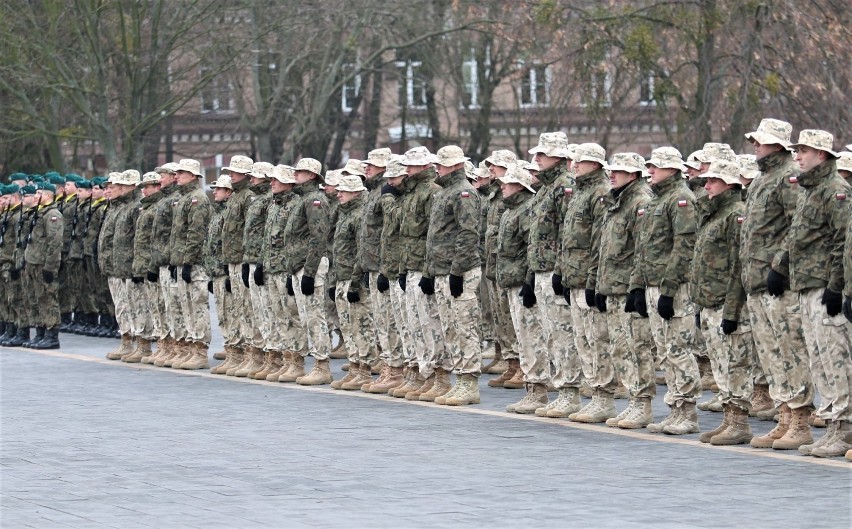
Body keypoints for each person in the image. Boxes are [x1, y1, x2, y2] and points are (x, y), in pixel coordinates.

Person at [773, 130, 851, 457]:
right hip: (806, 285)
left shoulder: (835, 191)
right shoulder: (809, 189)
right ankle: (834, 425)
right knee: (819, 360)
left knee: (837, 360)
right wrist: (779, 266)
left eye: (804, 151)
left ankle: (845, 428)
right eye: (797, 150)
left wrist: (838, 287)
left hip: (825, 286)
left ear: (822, 154)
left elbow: (842, 242)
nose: (798, 156)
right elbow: (796, 237)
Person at [739, 119, 815, 451]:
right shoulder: (762, 179)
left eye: (762, 141)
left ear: (780, 145)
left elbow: (798, 225)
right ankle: (784, 416)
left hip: (778, 282)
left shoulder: (787, 177)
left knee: (790, 351)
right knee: (771, 354)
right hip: (756, 280)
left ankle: (800, 420)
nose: (755, 145)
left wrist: (780, 264)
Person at [630, 147, 702, 435]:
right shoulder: (657, 200)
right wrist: (638, 285)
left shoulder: (681, 199)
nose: (651, 171)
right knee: (664, 350)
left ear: (672, 169)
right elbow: (644, 247)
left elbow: (684, 247)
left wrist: (670, 290)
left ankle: (687, 411)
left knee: (678, 349)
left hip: (674, 286)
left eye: (657, 167)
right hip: (652, 283)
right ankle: (675, 408)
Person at [689, 160, 753, 445]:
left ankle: (739, 422)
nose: (706, 186)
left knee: (735, 363)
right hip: (710, 301)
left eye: (713, 181)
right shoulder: (713, 214)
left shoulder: (735, 214)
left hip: (728, 303)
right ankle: (728, 418)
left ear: (729, 184)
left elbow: (739, 266)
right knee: (721, 363)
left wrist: (731, 309)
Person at [556, 143, 616, 423]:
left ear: (594, 164)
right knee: (583, 339)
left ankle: (603, 398)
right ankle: (593, 392)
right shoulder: (580, 192)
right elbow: (568, 238)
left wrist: (594, 280)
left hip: (588, 278)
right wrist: (563, 272)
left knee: (597, 340)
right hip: (575, 277)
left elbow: (598, 242)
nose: (574, 164)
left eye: (581, 161)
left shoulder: (600, 193)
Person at [595, 153, 655, 428]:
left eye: (620, 171)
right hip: (614, 285)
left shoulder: (639, 202)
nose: (613, 174)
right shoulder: (618, 201)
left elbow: (642, 250)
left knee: (637, 347)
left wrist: (637, 287)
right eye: (613, 170)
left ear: (633, 175)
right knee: (622, 347)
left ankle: (642, 404)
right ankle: (633, 400)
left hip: (628, 287)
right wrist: (599, 284)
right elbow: (607, 250)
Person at [524, 132, 578, 418]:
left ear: (558, 157)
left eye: (542, 155)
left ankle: (570, 391)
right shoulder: (545, 188)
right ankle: (562, 389)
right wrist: (532, 274)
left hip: (555, 271)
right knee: (552, 334)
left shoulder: (564, 185)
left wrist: (561, 270)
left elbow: (567, 233)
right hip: (542, 270)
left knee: (563, 334)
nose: (536, 159)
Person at [424, 146, 483, 406]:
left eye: (442, 163)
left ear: (455, 166)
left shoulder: (464, 192)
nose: (438, 167)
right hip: (441, 269)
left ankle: (469, 382)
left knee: (464, 326)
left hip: (460, 270)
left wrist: (457, 271)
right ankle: (459, 377)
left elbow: (468, 234)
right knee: (449, 327)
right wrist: (430, 271)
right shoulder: (443, 192)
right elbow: (435, 237)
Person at [395, 147, 447, 401]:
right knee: (416, 326)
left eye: (412, 166)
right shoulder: (411, 192)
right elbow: (405, 235)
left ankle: (441, 377)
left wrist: (428, 271)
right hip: (411, 266)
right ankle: (426, 375)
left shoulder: (432, 193)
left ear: (424, 166)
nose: (407, 170)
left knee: (431, 325)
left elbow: (433, 237)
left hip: (425, 269)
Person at [359, 148, 407, 394]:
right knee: (382, 321)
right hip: (375, 264)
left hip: (387, 264)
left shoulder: (388, 192)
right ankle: (389, 366)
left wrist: (387, 267)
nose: (367, 168)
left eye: (372, 165)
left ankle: (396, 370)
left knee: (391, 321)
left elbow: (391, 231)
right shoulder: (374, 192)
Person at [283, 158, 333, 385]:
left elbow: (318, 237)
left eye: (301, 172)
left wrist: (310, 272)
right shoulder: (300, 199)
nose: (296, 175)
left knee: (314, 317)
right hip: (298, 264)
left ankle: (322, 366)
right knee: (304, 316)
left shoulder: (315, 199)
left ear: (312, 175)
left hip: (309, 265)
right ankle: (306, 363)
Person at [329, 174, 378, 390]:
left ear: (356, 193)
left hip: (353, 279)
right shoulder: (344, 214)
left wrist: (356, 282)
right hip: (341, 276)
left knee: (361, 326)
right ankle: (355, 366)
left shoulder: (359, 216)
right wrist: (333, 281)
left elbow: (362, 252)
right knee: (348, 327)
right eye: (338, 190)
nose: (339, 194)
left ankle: (365, 370)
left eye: (344, 191)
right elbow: (337, 251)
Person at [482, 151, 523, 389]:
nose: (490, 169)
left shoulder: (512, 195)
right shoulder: (495, 194)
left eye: (495, 165)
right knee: (500, 318)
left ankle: (519, 364)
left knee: (510, 318)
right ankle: (510, 363)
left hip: (508, 264)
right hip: (494, 263)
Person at [168, 159, 213, 369]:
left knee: (197, 306)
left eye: (182, 173)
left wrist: (187, 262)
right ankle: (190, 347)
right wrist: (174, 260)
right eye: (176, 173)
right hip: (182, 261)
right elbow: (177, 234)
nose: (177, 176)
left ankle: (200, 350)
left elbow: (196, 233)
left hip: (194, 263)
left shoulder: (198, 198)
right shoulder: (183, 198)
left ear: (194, 176)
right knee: (185, 307)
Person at [235, 161, 275, 377]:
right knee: (255, 311)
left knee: (267, 312)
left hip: (263, 262)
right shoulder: (255, 198)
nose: (251, 179)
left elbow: (268, 235)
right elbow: (249, 233)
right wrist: (246, 260)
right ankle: (258, 355)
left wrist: (260, 262)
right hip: (250, 259)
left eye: (256, 176)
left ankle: (270, 357)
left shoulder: (269, 199)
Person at [220, 155, 256, 372]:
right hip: (232, 259)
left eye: (234, 172)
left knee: (247, 309)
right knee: (237, 309)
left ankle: (252, 355)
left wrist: (244, 260)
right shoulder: (236, 196)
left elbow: (248, 231)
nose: (230, 175)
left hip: (242, 259)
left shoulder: (248, 196)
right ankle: (239, 354)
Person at [125, 172, 163, 363]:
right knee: (143, 306)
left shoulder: (157, 207)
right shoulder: (144, 207)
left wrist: (151, 265)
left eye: (147, 186)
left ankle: (159, 346)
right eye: (143, 187)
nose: (144, 190)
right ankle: (144, 345)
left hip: (152, 265)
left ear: (157, 186)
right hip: (141, 264)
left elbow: (156, 240)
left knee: (157, 307)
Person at [103, 170, 141, 360]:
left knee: (134, 306)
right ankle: (126, 341)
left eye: (119, 186)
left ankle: (139, 343)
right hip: (115, 265)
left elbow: (137, 239)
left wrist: (136, 265)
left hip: (128, 266)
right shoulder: (115, 207)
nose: (113, 189)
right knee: (121, 306)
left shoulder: (135, 207)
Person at [22, 182, 64, 349]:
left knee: (48, 298)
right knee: (35, 299)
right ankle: (40, 332)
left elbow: (54, 243)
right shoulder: (39, 213)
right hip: (32, 262)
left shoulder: (52, 214)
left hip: (43, 264)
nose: (36, 196)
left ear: (47, 195)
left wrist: (50, 267)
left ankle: (52, 335)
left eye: (39, 193)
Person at [205, 175, 235, 374]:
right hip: (216, 270)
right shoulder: (217, 212)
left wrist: (226, 270)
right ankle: (230, 349)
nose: (215, 191)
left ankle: (237, 353)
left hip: (226, 271)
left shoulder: (229, 212)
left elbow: (229, 242)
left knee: (233, 313)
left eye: (220, 189)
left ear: (229, 192)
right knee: (223, 315)